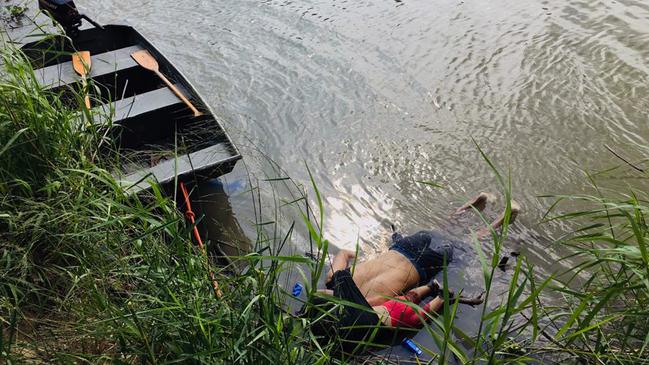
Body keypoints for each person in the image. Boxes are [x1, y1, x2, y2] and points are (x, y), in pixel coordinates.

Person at [373, 280, 484, 328]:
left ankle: (441, 297)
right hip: (386, 307)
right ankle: (431, 287)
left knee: (421, 314)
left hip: (395, 320)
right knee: (408, 298)